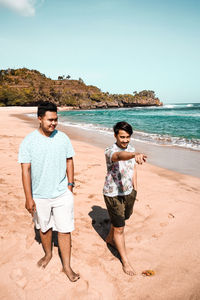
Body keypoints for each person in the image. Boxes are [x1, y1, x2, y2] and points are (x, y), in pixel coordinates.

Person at [18, 101, 79, 282]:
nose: (53, 123)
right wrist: (28, 198)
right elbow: (25, 171)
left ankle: (66, 266)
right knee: (44, 229)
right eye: (49, 120)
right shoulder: (28, 141)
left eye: (56, 120)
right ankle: (48, 254)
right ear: (39, 118)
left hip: (62, 193)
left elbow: (69, 161)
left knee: (65, 230)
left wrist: (70, 185)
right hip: (39, 195)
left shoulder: (63, 138)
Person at [103, 121, 146, 276]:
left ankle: (109, 237)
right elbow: (120, 156)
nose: (125, 140)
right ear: (115, 135)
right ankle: (125, 261)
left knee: (123, 218)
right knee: (120, 228)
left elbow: (133, 169)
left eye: (128, 137)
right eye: (122, 137)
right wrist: (134, 155)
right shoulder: (110, 151)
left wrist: (135, 189)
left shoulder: (132, 149)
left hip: (128, 192)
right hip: (113, 194)